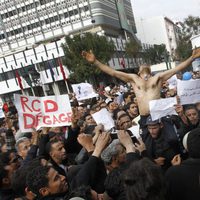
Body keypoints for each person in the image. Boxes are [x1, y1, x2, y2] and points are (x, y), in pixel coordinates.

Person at [82, 49, 200, 116]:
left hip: (160, 115)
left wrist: (192, 58)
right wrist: (95, 62)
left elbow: (177, 69)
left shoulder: (158, 77)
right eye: (142, 69)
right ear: (138, 72)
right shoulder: (133, 79)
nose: (144, 68)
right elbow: (113, 72)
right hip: (144, 116)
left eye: (146, 68)